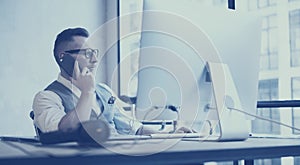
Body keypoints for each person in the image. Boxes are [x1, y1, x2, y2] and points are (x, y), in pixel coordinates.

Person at [32, 27, 192, 137]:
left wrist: (169, 136)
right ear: (63, 56)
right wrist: (87, 93)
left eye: (94, 52)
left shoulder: (103, 91)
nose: (94, 60)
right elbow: (63, 133)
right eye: (87, 53)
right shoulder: (47, 97)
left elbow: (135, 129)